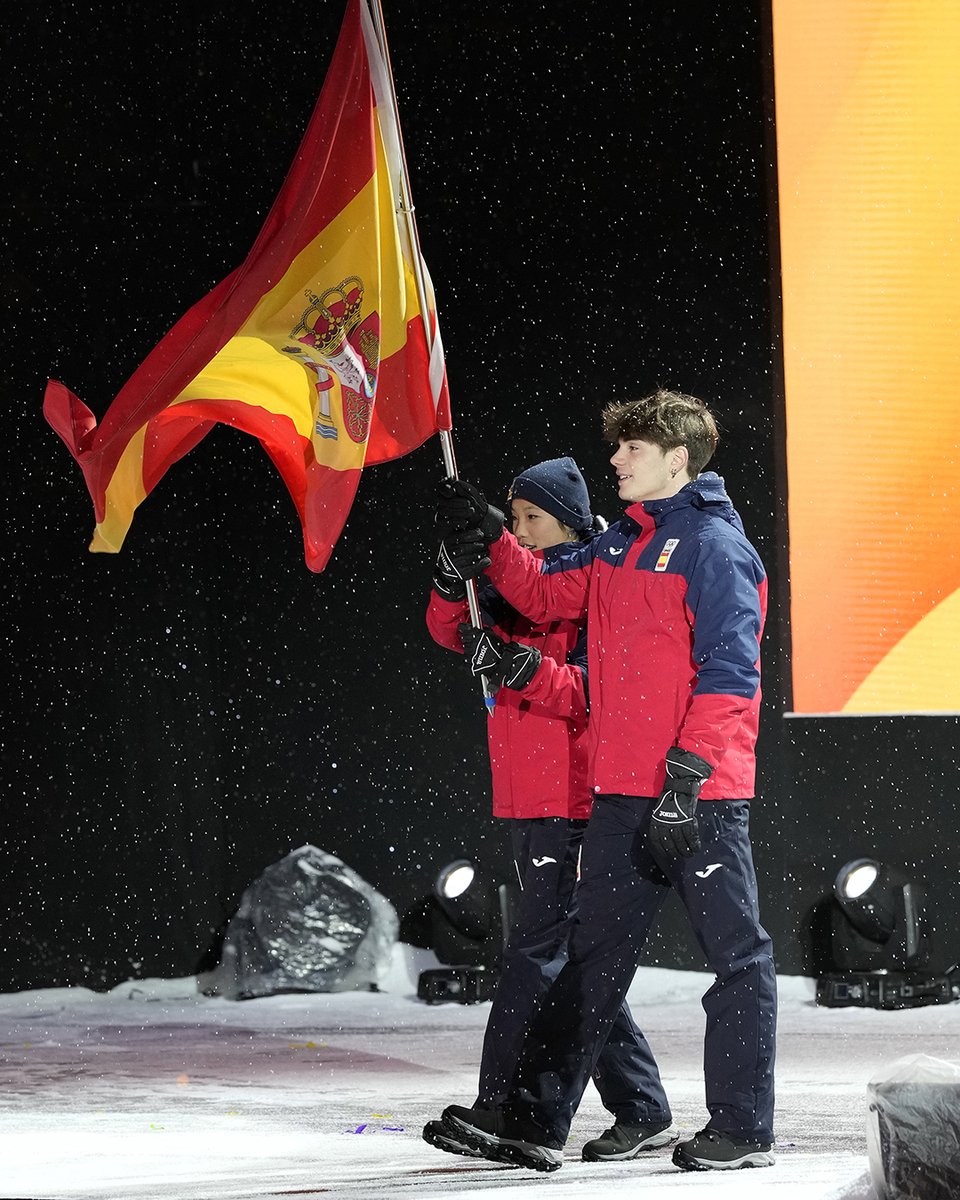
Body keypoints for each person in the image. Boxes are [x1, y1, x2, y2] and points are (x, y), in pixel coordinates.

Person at [427, 390, 776, 1174]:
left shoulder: (715, 548)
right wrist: (488, 537)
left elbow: (731, 672)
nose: (615, 460)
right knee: (589, 959)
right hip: (619, 794)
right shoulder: (619, 543)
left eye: (632, 449)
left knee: (737, 960)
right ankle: (534, 1122)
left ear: (677, 459)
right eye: (618, 448)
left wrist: (688, 777)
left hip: (699, 795)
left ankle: (744, 1128)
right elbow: (545, 590)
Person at [422, 457, 677, 1163]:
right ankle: (642, 1106)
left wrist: (522, 670)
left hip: (580, 794)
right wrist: (453, 575)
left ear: (567, 518)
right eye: (517, 518)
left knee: (540, 954)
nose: (524, 531)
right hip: (531, 794)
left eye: (532, 518)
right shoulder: (516, 581)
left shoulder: (593, 579)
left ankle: (502, 1107)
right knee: (571, 957)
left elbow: (606, 691)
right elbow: (450, 628)